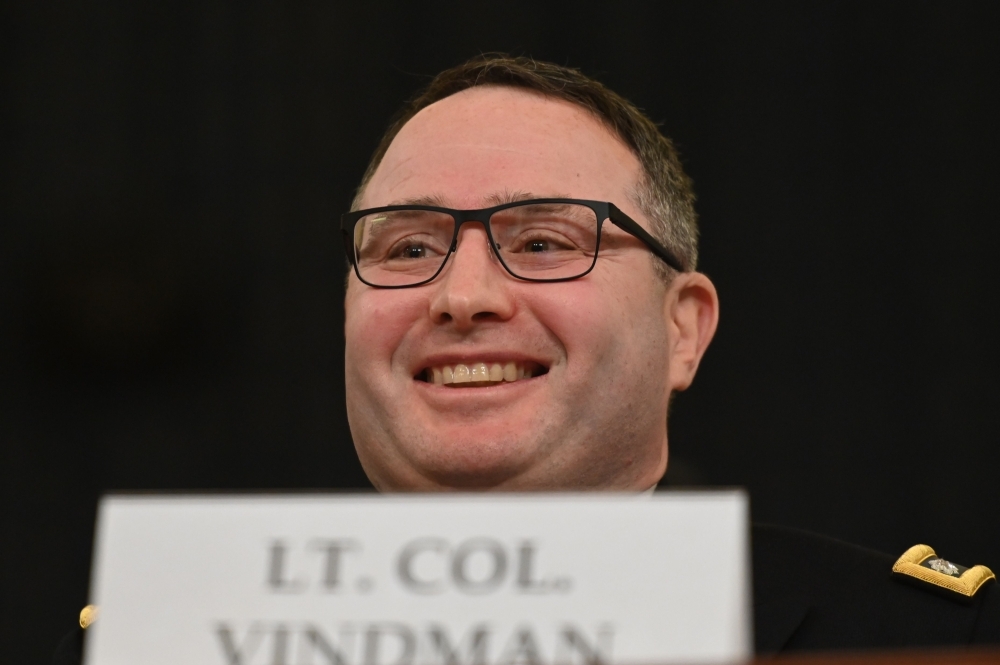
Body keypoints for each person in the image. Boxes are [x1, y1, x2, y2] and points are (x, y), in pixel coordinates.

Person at [53, 54, 998, 664]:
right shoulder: (152, 645)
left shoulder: (925, 639)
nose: (463, 296)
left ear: (685, 327)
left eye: (545, 242)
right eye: (407, 248)